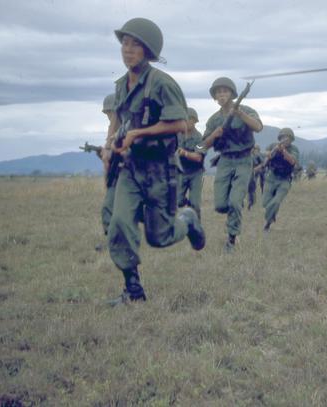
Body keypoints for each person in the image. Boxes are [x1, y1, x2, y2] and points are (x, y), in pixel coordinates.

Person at [104, 17, 205, 306]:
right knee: (120, 223)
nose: (128, 49)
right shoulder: (121, 86)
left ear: (147, 51)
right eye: (124, 43)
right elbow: (122, 121)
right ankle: (134, 292)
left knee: (159, 237)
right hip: (131, 168)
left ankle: (188, 219)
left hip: (160, 169)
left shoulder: (163, 83)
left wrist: (138, 133)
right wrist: (114, 143)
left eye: (135, 44)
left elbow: (180, 125)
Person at [202, 77, 263, 252]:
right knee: (221, 205)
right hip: (225, 161)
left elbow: (258, 127)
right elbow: (200, 145)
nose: (221, 95)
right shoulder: (213, 120)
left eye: (225, 91)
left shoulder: (246, 110)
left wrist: (239, 114)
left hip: (244, 159)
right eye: (218, 92)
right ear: (215, 96)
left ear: (232, 94)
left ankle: (232, 238)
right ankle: (234, 208)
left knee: (235, 202)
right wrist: (213, 135)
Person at [262, 128, 299, 232]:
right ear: (280, 138)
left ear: (291, 139)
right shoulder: (273, 145)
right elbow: (265, 154)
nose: (285, 139)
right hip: (271, 177)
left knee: (276, 202)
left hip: (285, 180)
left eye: (287, 138)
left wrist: (283, 151)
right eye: (283, 137)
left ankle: (267, 224)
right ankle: (271, 215)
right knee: (265, 203)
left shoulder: (294, 149)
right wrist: (270, 153)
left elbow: (292, 161)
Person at [177, 107, 205, 219]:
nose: (186, 121)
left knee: (195, 204)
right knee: (177, 201)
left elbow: (198, 157)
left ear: (194, 121)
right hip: (180, 171)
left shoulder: (200, 139)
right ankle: (187, 203)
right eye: (184, 119)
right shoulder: (177, 135)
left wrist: (184, 153)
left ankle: (196, 225)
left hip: (195, 173)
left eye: (189, 119)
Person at [100, 93, 117, 235]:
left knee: (108, 208)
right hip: (117, 174)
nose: (108, 117)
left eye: (109, 112)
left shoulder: (129, 129)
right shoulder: (112, 130)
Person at [247, 144, 264, 210]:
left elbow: (263, 163)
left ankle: (251, 203)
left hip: (255, 173)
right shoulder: (247, 156)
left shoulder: (257, 156)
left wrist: (257, 168)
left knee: (252, 188)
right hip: (248, 173)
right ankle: (250, 202)